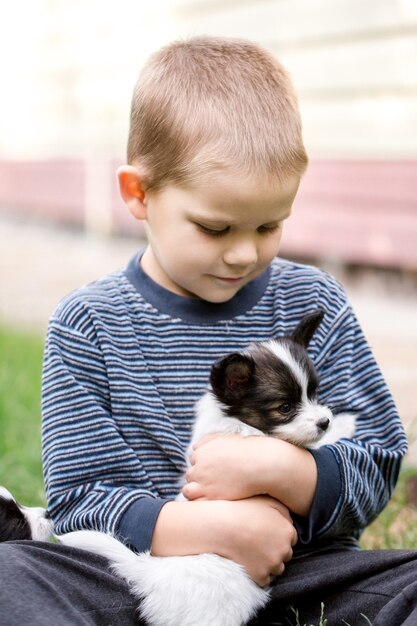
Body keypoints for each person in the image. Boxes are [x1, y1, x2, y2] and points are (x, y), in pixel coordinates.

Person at [1, 35, 416, 626]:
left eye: (270, 224)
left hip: (301, 574)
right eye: (215, 228)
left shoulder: (314, 301)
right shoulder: (87, 324)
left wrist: (290, 473)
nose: (245, 253)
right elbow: (79, 499)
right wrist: (197, 526)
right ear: (138, 193)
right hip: (134, 575)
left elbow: (378, 459)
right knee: (11, 575)